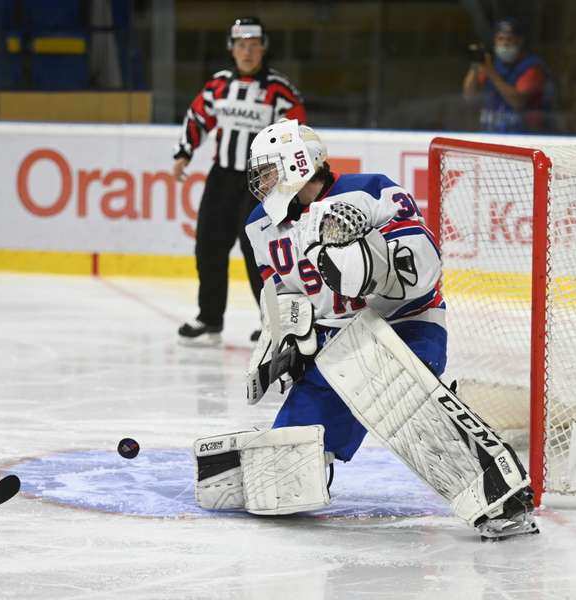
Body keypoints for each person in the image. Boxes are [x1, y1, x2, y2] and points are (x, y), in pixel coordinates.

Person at [191, 119, 538, 540]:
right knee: (284, 471)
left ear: (295, 164)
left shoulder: (370, 189)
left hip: (406, 326)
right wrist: (286, 341)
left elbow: (425, 265)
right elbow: (283, 293)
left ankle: (502, 495)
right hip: (334, 344)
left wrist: (372, 262)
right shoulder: (259, 225)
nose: (261, 182)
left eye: (267, 170)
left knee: (399, 399)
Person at [173, 16, 306, 346]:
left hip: (261, 181)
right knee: (208, 246)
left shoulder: (280, 91)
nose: (247, 52)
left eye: (253, 45)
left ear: (263, 48)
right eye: (240, 45)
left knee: (257, 251)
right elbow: (197, 117)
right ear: (231, 49)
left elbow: (296, 134)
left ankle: (271, 322)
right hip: (221, 178)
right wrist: (184, 152)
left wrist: (285, 177)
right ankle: (209, 318)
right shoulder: (218, 85)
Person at [462, 18, 551, 133]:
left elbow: (518, 101)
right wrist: (475, 66)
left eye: (509, 39)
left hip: (523, 136)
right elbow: (469, 95)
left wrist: (491, 73)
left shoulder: (532, 67)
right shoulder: (492, 64)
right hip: (491, 133)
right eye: (500, 39)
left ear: (519, 41)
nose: (504, 43)